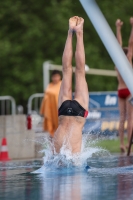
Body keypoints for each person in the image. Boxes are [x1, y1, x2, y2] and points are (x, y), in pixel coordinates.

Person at [53, 16, 89, 154]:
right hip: (65, 111)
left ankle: (74, 33)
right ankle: (75, 33)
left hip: (70, 116)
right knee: (71, 71)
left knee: (74, 72)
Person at [115, 17, 133, 153]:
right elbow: (131, 43)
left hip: (120, 89)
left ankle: (121, 143)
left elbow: (117, 45)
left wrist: (118, 28)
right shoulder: (127, 61)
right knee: (130, 118)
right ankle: (128, 143)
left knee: (122, 118)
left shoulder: (117, 64)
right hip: (128, 90)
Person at [40, 70, 62, 137]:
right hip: (50, 109)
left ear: (59, 77)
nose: (55, 78)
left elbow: (55, 93)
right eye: (54, 77)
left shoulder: (61, 84)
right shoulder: (50, 85)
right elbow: (46, 97)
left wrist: (49, 92)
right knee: (51, 129)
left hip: (58, 108)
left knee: (60, 126)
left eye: (56, 76)